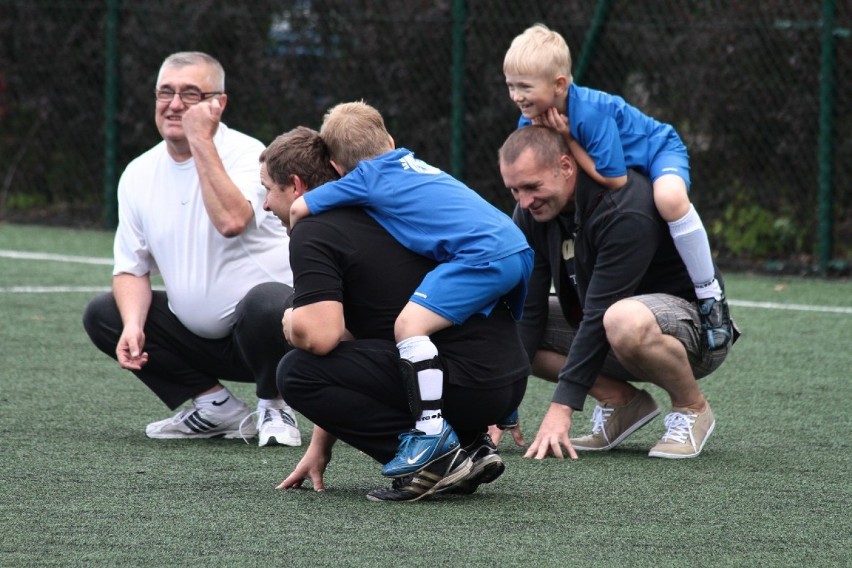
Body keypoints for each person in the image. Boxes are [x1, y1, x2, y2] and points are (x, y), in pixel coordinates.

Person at [262, 126, 530, 501]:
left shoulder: (315, 230)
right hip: (505, 380)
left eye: (267, 190)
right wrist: (320, 445)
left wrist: (290, 320)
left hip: (466, 383)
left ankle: (437, 461)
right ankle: (469, 445)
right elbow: (356, 342)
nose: (264, 204)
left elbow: (320, 338)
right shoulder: (394, 205)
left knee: (297, 372)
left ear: (295, 185)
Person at [82, 51, 300, 448]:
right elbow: (131, 268)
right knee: (104, 313)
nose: (175, 105)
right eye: (165, 93)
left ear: (219, 104)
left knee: (266, 301)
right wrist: (133, 325)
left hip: (274, 335)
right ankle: (215, 406)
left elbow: (231, 220)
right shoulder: (138, 173)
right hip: (201, 341)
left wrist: (201, 139)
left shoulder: (251, 155)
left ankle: (274, 404)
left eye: (190, 94)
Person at [498, 125, 739, 459]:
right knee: (502, 320)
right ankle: (621, 402)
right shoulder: (532, 212)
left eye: (532, 187)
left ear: (567, 167)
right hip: (609, 328)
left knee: (622, 318)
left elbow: (599, 314)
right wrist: (500, 404)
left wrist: (561, 408)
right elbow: (530, 310)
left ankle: (691, 408)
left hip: (694, 333)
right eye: (514, 191)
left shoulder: (622, 207)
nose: (524, 202)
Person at [503, 23, 733, 352]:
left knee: (668, 199)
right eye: (511, 85)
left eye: (524, 86)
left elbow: (615, 179)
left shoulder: (591, 114)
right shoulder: (529, 118)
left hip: (658, 150)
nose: (516, 96)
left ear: (559, 85)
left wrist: (567, 137)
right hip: (619, 168)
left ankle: (711, 297)